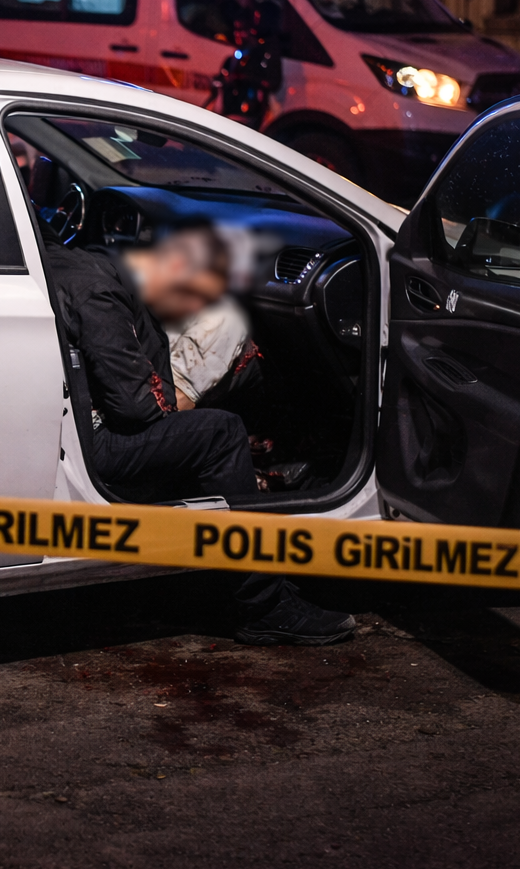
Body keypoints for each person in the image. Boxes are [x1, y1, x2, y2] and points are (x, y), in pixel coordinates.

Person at [45, 226, 358, 646]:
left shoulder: (58, 266)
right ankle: (264, 606)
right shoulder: (92, 286)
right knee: (220, 431)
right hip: (94, 443)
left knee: (205, 431)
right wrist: (180, 401)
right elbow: (138, 405)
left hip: (71, 426)